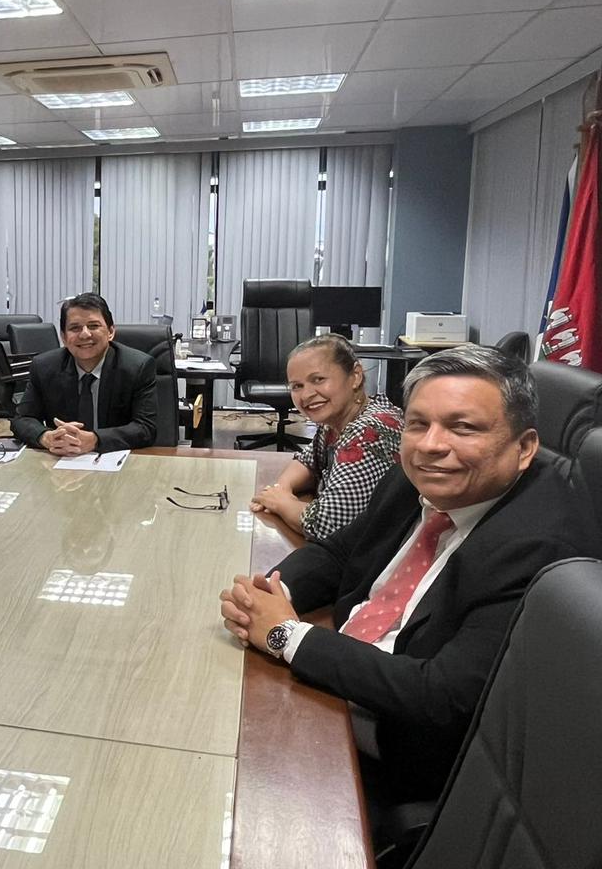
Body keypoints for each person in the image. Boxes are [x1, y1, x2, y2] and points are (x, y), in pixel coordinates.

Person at [219, 344, 597, 805]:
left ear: (524, 448)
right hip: (338, 674)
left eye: (463, 427)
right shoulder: (416, 471)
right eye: (419, 423)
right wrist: (269, 591)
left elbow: (439, 697)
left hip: (395, 748)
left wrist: (285, 634)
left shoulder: (540, 547)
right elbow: (340, 551)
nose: (431, 445)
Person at [250, 334, 403, 545]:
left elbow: (327, 525)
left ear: (356, 376)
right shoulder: (339, 420)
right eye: (297, 386)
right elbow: (308, 460)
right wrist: (282, 489)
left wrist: (281, 503)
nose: (306, 395)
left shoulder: (369, 432)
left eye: (318, 380)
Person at [11, 293, 157, 454]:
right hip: (62, 463)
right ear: (64, 338)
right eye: (75, 328)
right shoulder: (45, 367)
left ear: (110, 332)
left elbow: (145, 428)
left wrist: (95, 440)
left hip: (117, 461)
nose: (85, 334)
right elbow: (22, 419)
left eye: (93, 326)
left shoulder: (137, 367)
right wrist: (46, 437)